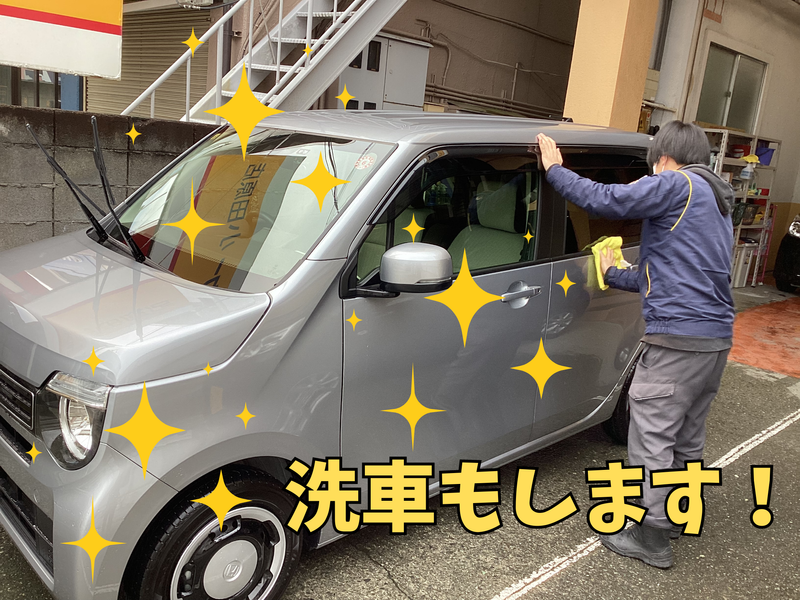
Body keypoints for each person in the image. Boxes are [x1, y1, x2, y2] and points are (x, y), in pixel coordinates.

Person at [536, 121, 735, 569]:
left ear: (663, 158)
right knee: (686, 435)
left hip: (677, 339)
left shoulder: (677, 183)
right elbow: (671, 273)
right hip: (714, 339)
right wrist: (614, 273)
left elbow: (606, 199)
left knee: (653, 436)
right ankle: (679, 514)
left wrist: (555, 170)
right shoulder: (716, 201)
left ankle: (651, 536)